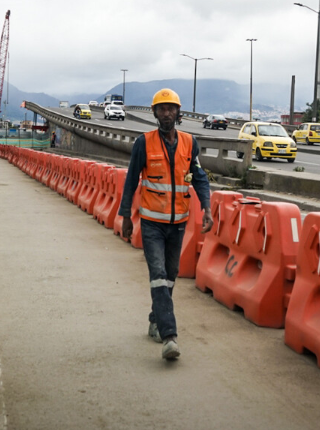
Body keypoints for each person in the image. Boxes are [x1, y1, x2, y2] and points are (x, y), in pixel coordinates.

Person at [118, 88, 213, 360]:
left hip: (178, 223)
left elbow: (199, 177)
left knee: (170, 277)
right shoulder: (143, 143)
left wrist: (207, 207)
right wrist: (126, 216)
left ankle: (154, 318)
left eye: (171, 108)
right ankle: (169, 336)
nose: (167, 113)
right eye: (162, 109)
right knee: (158, 275)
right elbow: (131, 180)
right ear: (155, 113)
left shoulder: (189, 142)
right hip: (151, 224)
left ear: (178, 112)